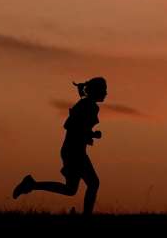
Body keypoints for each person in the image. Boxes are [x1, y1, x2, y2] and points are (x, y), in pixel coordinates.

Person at [13, 77, 108, 215]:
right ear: (96, 91)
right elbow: (70, 125)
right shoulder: (88, 106)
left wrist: (90, 134)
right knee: (93, 183)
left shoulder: (87, 105)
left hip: (73, 150)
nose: (106, 93)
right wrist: (90, 134)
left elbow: (76, 126)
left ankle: (31, 184)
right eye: (104, 90)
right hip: (74, 152)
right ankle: (87, 216)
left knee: (71, 189)